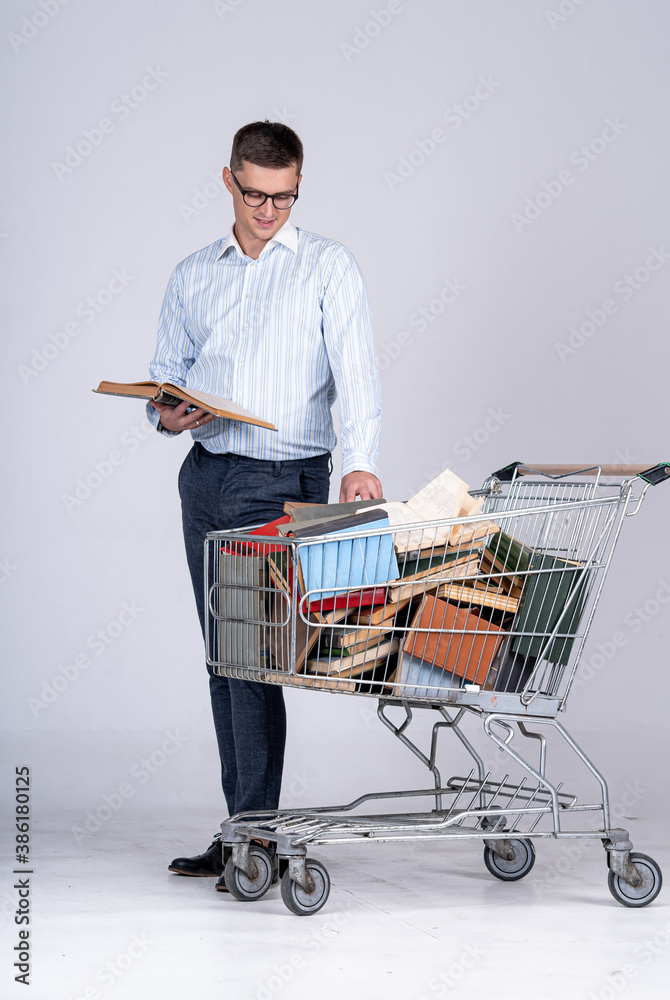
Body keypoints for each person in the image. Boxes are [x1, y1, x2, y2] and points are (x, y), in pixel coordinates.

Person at [146, 121, 383, 890]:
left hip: (280, 482)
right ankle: (243, 829)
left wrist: (359, 466)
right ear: (228, 182)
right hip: (204, 474)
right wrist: (165, 413)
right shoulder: (193, 272)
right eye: (254, 194)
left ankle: (256, 836)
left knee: (250, 663)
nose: (268, 209)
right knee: (222, 661)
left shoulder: (326, 267)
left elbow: (359, 376)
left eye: (282, 196)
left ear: (298, 187)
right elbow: (164, 374)